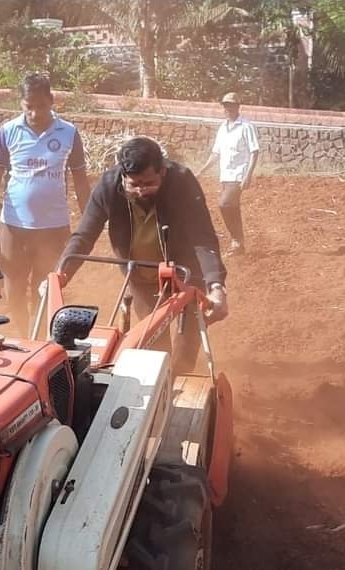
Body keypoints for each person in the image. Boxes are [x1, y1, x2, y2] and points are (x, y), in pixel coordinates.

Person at [59, 137, 229, 372]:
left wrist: (216, 285)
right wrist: (60, 274)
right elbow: (84, 235)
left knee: (185, 350)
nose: (140, 190)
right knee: (156, 349)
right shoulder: (109, 186)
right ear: (123, 175)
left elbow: (203, 237)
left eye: (149, 183)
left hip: (186, 275)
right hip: (140, 278)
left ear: (163, 171)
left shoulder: (181, 182)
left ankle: (180, 385)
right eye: (134, 184)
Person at [0, 73, 90, 337]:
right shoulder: (7, 132)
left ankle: (40, 340)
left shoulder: (69, 133)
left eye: (40, 106)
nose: (34, 112)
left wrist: (88, 225)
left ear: (51, 101)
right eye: (29, 106)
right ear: (21, 104)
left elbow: (81, 182)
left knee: (46, 288)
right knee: (13, 289)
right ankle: (21, 335)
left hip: (53, 228)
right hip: (13, 227)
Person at [197, 92, 260, 256]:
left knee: (224, 204)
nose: (228, 108)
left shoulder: (246, 126)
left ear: (238, 107)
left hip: (239, 175)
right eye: (225, 105)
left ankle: (236, 240)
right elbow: (216, 153)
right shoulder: (223, 128)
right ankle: (239, 244)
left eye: (231, 105)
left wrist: (248, 175)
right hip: (225, 175)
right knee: (232, 208)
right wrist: (202, 170)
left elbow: (254, 152)